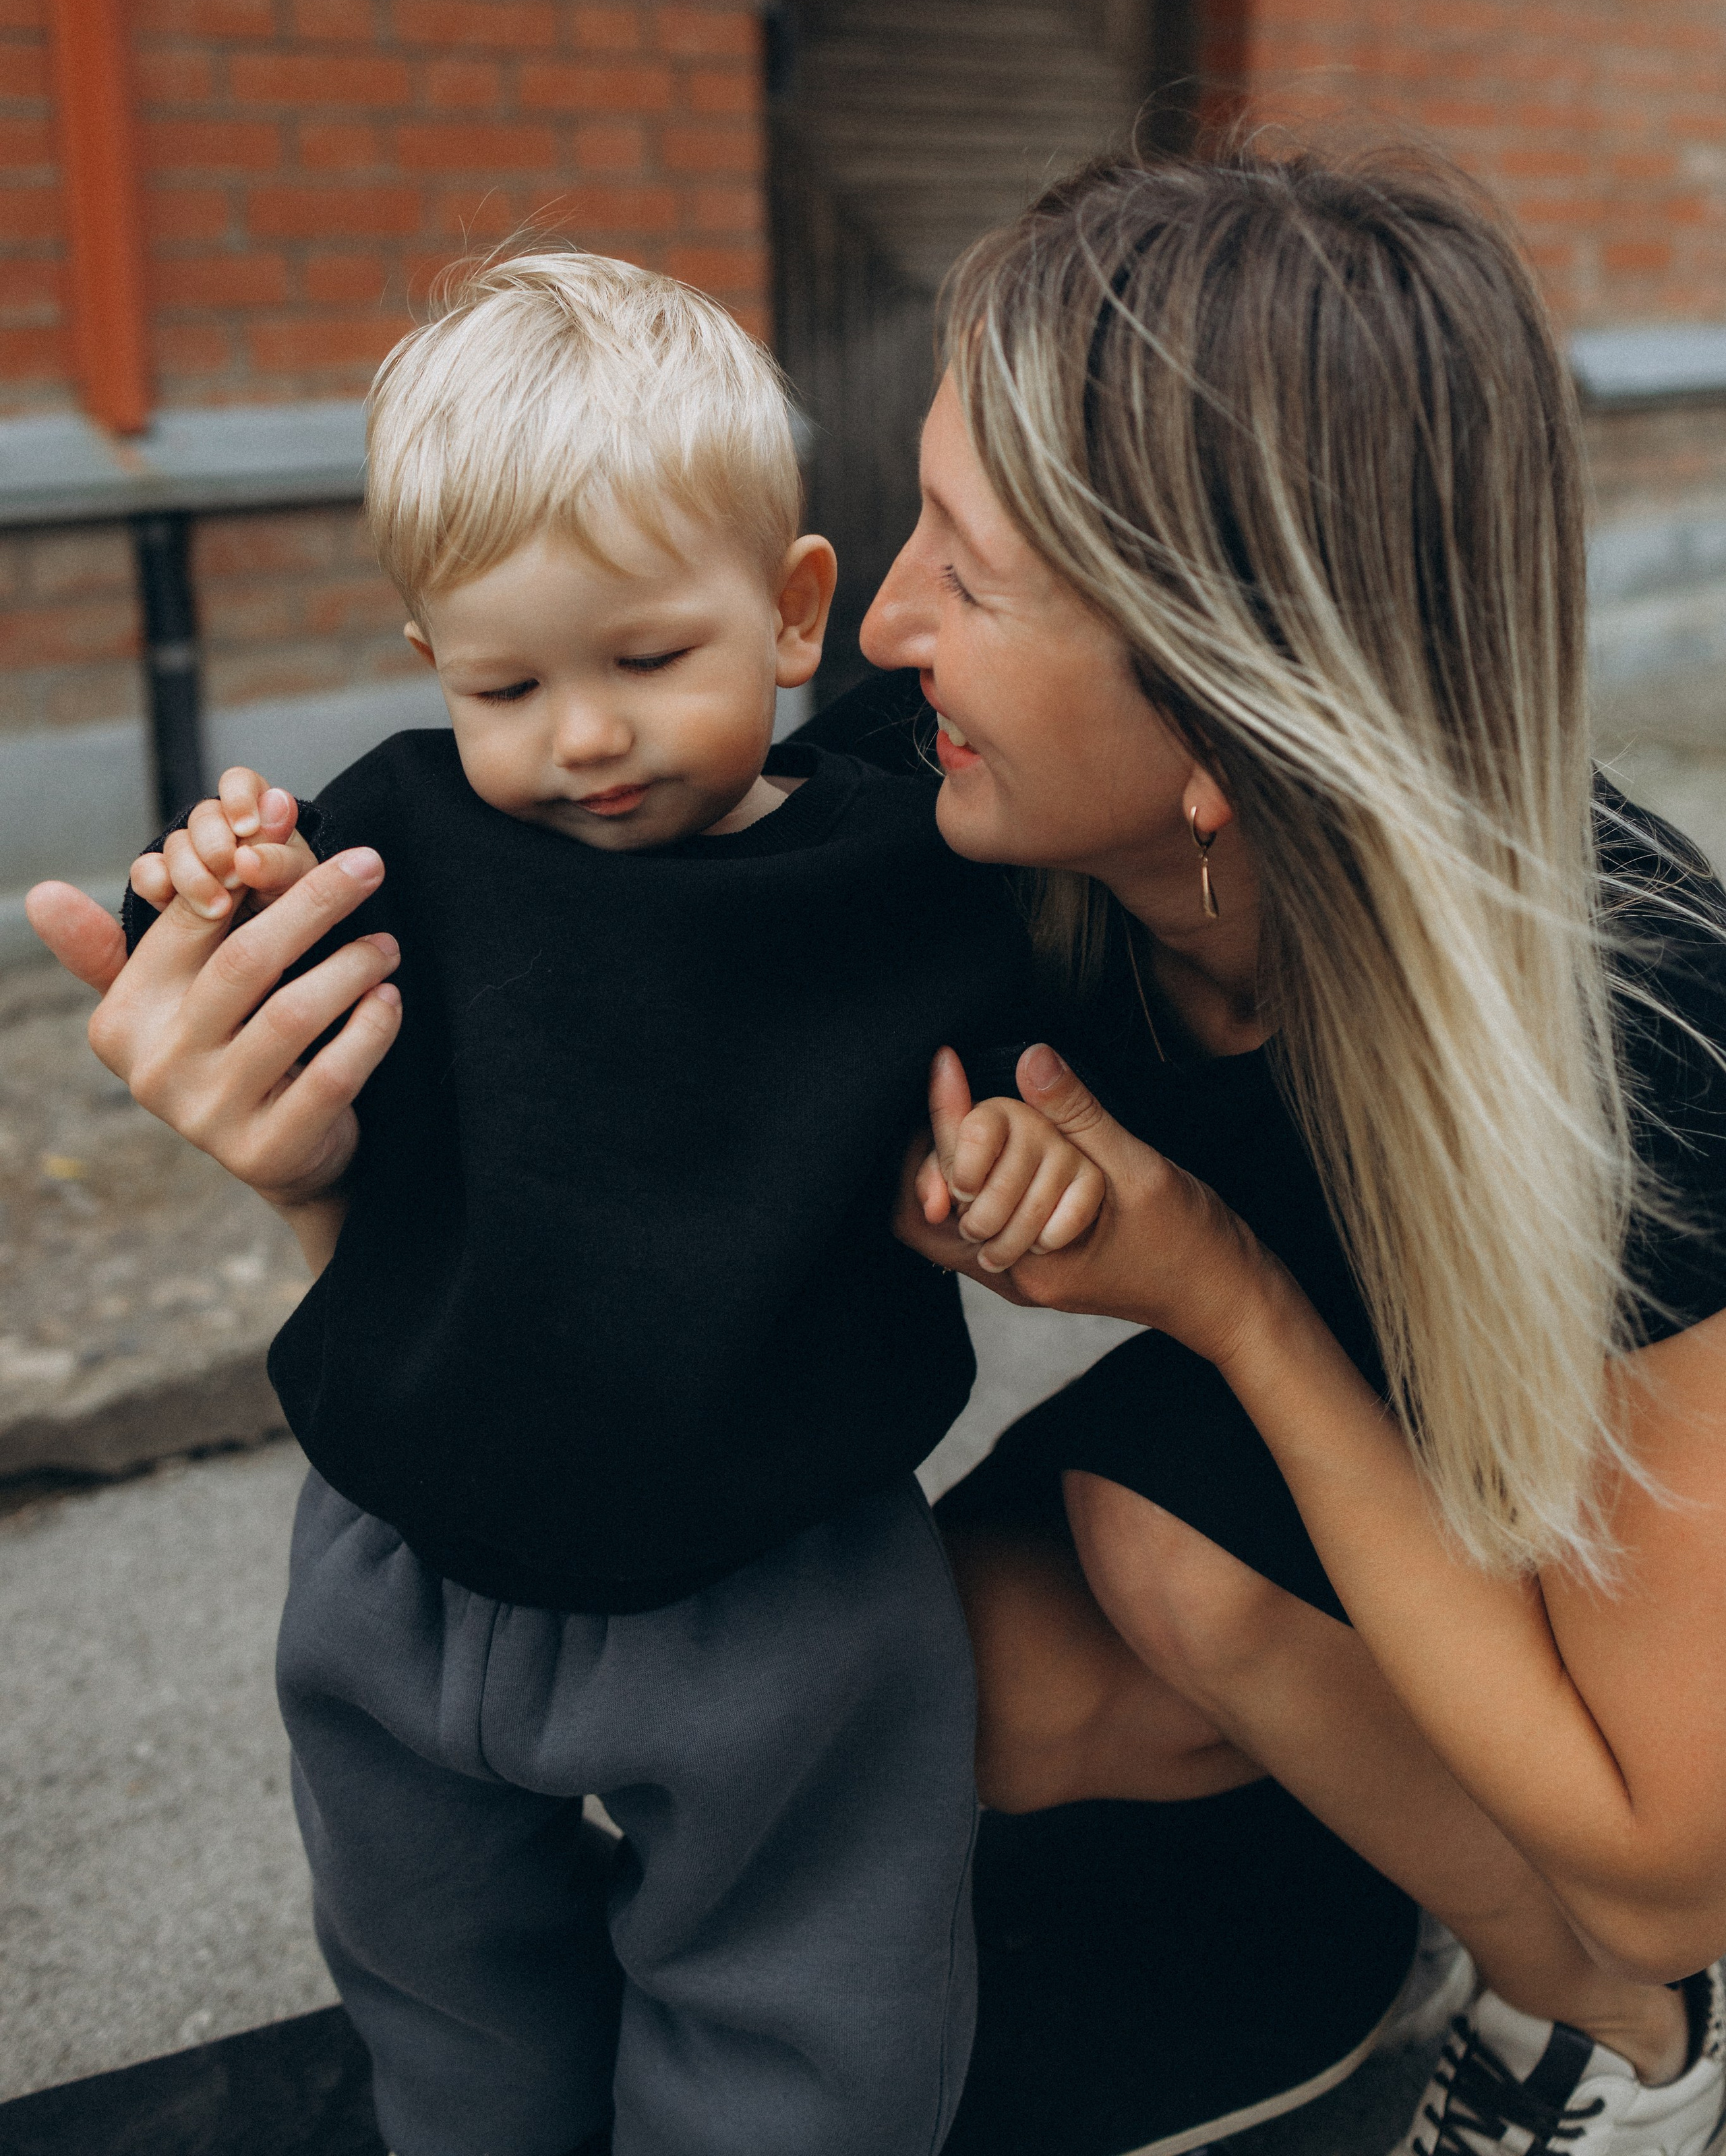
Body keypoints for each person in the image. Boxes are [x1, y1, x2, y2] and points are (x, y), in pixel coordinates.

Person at [32, 143, 1726, 2156]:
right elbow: (569, 1203)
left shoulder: (1633, 1035)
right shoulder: (912, 815)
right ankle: (1370, 1850)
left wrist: (1223, 1292)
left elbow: (1665, 1858)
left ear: (1223, 703)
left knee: (1219, 1610)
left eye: (971, 575)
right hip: (1339, 1492)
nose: (883, 622)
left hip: (1581, 1605)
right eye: (914, 517)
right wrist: (303, 1150)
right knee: (936, 1682)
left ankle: (1635, 2045)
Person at [84, 248, 1108, 2156]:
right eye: (507, 682)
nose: (582, 738)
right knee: (434, 1980)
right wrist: (212, 885)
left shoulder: (907, 880)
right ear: (433, 665)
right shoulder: (411, 827)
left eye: (647, 661)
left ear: (792, 611)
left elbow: (1022, 1094)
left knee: (814, 2011)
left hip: (782, 1582)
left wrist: (1019, 1159)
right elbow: (201, 955)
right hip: (401, 1554)